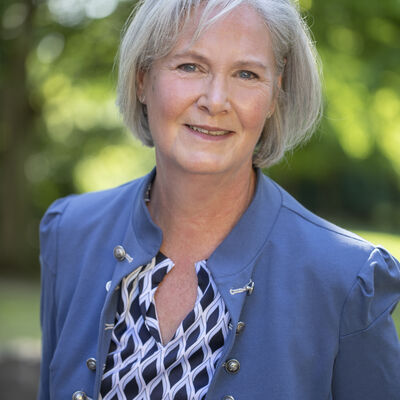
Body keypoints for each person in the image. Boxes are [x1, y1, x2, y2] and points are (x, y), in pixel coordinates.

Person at [38, 0, 400, 399]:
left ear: (275, 95)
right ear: (143, 79)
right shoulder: (69, 232)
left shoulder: (347, 279)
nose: (215, 100)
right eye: (190, 66)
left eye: (246, 73)